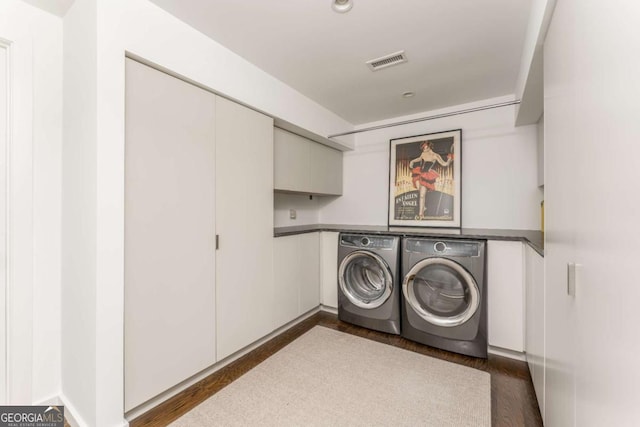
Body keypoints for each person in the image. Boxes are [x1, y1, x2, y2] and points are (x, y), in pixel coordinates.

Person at [409, 141, 452, 219]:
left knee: (422, 195)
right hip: (420, 173)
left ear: (429, 147)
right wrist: (412, 161)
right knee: (420, 191)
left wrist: (449, 159)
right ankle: (423, 207)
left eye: (424, 147)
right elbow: (419, 158)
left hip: (426, 175)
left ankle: (421, 214)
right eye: (422, 147)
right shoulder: (423, 153)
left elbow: (444, 164)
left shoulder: (435, 155)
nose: (423, 149)